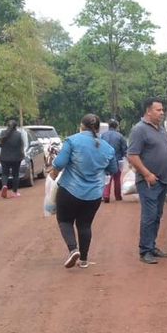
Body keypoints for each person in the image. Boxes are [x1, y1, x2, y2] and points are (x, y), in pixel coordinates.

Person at [51, 114, 117, 269]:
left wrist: (53, 173)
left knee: (65, 220)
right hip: (94, 194)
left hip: (69, 190)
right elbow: (113, 169)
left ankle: (73, 249)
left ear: (81, 125)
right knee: (85, 225)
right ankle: (84, 260)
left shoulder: (72, 141)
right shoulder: (108, 148)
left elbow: (59, 163)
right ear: (99, 128)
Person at [127, 98, 167, 265]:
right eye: (158, 110)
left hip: (163, 180)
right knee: (149, 215)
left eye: (162, 110)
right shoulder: (139, 130)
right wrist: (146, 174)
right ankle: (145, 251)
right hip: (149, 181)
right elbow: (132, 155)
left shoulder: (161, 129)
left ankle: (151, 245)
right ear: (148, 111)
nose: (162, 113)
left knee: (157, 215)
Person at [0, 120, 24, 199]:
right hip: (16, 158)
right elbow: (21, 146)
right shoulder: (18, 135)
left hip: (4, 158)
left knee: (5, 174)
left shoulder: (2, 133)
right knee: (15, 175)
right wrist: (22, 156)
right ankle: (14, 192)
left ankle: (4, 185)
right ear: (15, 126)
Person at [101, 118, 127, 203]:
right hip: (117, 160)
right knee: (117, 178)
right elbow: (124, 150)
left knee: (107, 178)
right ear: (116, 126)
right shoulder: (120, 136)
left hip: (105, 160)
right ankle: (118, 196)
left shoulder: (103, 135)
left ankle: (106, 195)